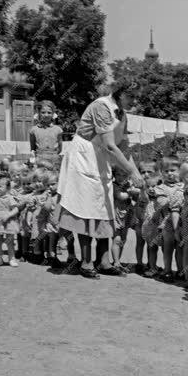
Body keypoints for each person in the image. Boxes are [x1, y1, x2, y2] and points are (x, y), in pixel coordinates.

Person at [57, 87, 143, 279]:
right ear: (120, 94)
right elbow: (110, 145)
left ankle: (104, 261)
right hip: (84, 158)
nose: (134, 101)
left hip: (101, 160)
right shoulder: (101, 107)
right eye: (131, 96)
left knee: (105, 209)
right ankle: (86, 262)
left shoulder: (122, 114)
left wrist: (136, 172)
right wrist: (130, 171)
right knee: (85, 211)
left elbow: (123, 147)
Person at [157, 157, 185, 282]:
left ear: (179, 171)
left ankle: (180, 270)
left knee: (180, 248)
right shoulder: (160, 188)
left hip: (181, 223)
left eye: (173, 170)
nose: (170, 173)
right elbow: (160, 202)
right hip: (167, 222)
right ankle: (167, 270)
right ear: (162, 172)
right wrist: (174, 200)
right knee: (167, 247)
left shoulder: (183, 187)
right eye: (166, 171)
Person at [0, 176, 20, 268]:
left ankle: (12, 258)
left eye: (0, 186)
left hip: (9, 222)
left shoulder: (9, 198)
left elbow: (16, 209)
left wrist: (8, 215)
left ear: (8, 188)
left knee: (10, 241)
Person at [131, 160, 156, 274]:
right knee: (140, 242)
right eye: (143, 172)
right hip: (140, 220)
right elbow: (137, 193)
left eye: (149, 172)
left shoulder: (156, 186)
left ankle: (151, 265)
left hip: (151, 221)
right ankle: (139, 264)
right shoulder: (139, 187)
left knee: (151, 245)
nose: (146, 174)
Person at [29, 100, 63, 169]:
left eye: (49, 112)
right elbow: (33, 149)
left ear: (53, 114)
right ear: (39, 113)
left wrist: (52, 154)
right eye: (43, 112)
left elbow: (60, 148)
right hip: (40, 161)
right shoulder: (33, 130)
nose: (46, 115)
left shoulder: (58, 130)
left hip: (54, 161)